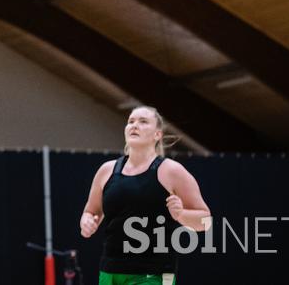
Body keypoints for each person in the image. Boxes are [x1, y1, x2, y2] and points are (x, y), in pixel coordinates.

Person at [79, 106, 211, 285]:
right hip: (110, 272)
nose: (134, 125)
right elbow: (91, 211)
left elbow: (206, 220)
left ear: (157, 135)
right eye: (131, 121)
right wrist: (87, 221)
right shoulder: (107, 170)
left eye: (143, 122)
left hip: (154, 274)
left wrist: (181, 215)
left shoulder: (171, 171)